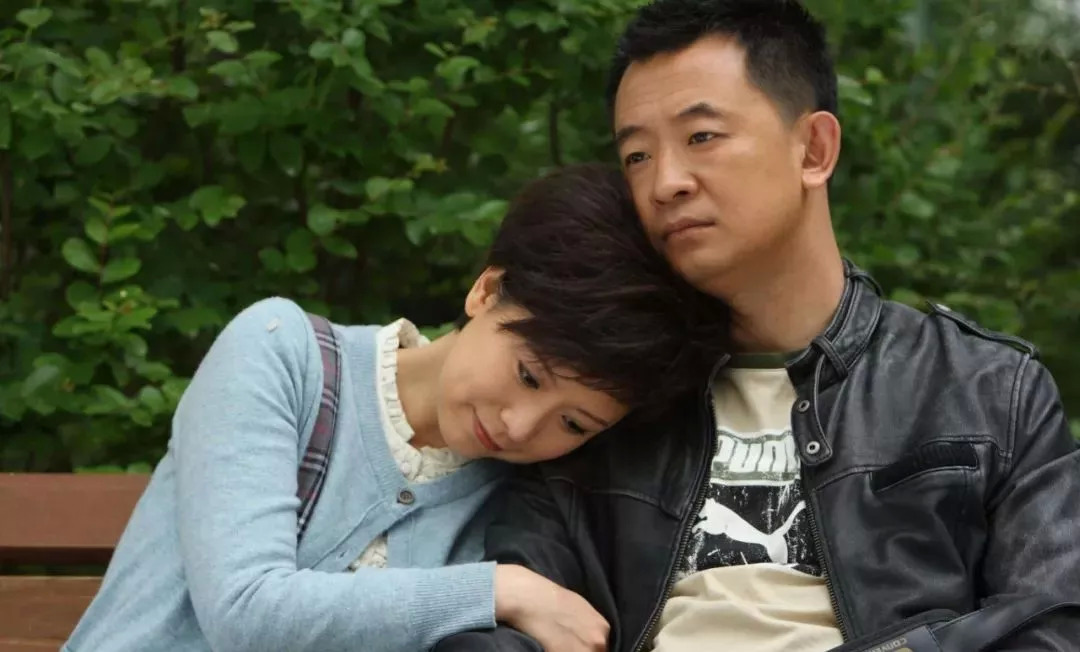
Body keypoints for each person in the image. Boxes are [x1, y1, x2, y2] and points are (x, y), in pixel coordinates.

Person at [433, 1, 1080, 651]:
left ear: (814, 149)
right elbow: (515, 622)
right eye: (636, 155)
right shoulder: (600, 398)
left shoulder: (983, 391)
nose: (665, 183)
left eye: (701, 137)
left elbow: (1055, 622)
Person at [62, 163, 730, 652]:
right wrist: (498, 590)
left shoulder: (522, 504)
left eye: (574, 423)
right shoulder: (282, 353)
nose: (521, 426)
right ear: (487, 290)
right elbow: (245, 611)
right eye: (528, 375)